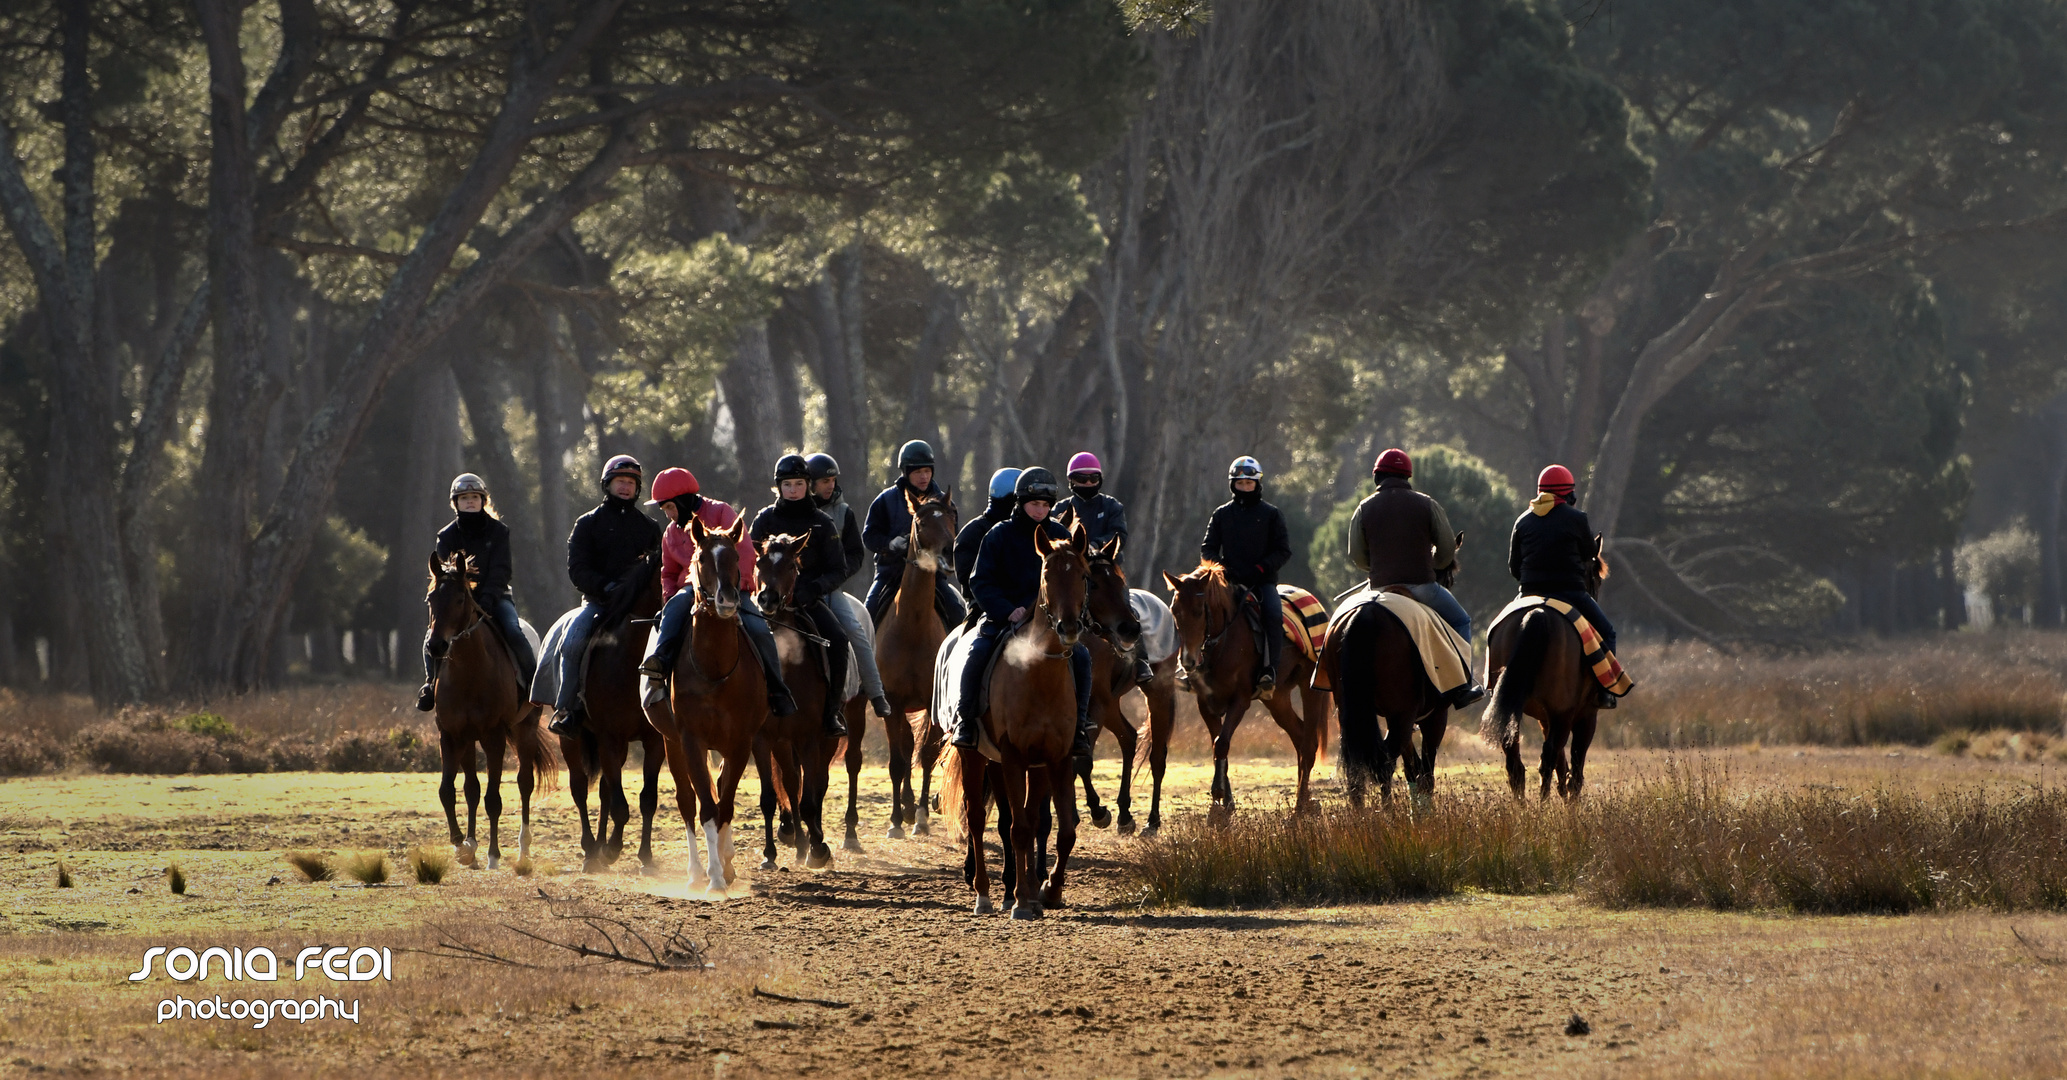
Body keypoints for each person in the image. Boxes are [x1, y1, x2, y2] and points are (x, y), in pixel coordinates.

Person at [952, 467, 1096, 762]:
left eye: (1046, 505)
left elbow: (1074, 581)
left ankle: (1079, 727)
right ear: (1020, 502)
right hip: (1005, 616)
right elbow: (980, 581)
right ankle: (965, 721)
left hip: (1050, 622)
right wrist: (1007, 609)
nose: (1040, 510)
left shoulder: (1059, 534)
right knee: (978, 650)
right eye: (1034, 504)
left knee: (1081, 657)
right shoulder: (998, 534)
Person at [635, 467, 796, 718]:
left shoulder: (721, 512)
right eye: (664, 510)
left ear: (683, 501)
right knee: (673, 611)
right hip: (692, 591)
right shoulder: (670, 533)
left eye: (669, 507)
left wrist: (735, 587)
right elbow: (668, 572)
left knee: (759, 629)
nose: (667, 514)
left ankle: (777, 690)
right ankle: (660, 665)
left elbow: (743, 553)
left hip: (733, 588)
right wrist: (669, 596)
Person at [1346, 448, 1484, 707]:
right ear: (1408, 476)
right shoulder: (1427, 503)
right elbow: (1445, 549)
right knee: (1461, 620)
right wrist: (1433, 566)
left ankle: (1333, 679)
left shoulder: (1364, 507)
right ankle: (1462, 685)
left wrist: (1376, 570)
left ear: (1377, 477)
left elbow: (1356, 555)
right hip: (1422, 587)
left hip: (1379, 589)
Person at [549, 454, 664, 737]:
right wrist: (605, 588)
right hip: (599, 603)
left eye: (630, 482)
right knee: (573, 642)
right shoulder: (587, 523)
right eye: (619, 482)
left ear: (637, 489)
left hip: (643, 609)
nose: (625, 487)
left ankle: (674, 705)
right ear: (607, 485)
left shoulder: (649, 528)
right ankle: (569, 708)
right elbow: (577, 569)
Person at [751, 454, 852, 737]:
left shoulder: (822, 522)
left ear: (808, 485)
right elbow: (748, 559)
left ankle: (832, 712)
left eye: (798, 484)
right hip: (766, 599)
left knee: (840, 640)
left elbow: (838, 568)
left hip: (808, 598)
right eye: (787, 485)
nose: (793, 490)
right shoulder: (764, 519)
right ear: (778, 488)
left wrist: (812, 589)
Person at [418, 473, 537, 711]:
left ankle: (536, 686)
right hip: (457, 601)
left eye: (474, 497)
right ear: (456, 503)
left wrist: (487, 599)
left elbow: (501, 571)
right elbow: (443, 575)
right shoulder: (446, 536)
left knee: (514, 632)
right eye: (464, 498)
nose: (470, 501)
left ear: (483, 500)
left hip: (496, 598)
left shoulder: (499, 531)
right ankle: (430, 684)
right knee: (431, 639)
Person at [1508, 464, 1624, 708]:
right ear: (1569, 493)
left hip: (1529, 593)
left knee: (1498, 629)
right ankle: (1605, 691)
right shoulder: (1577, 518)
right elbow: (1590, 553)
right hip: (1569, 592)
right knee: (1608, 632)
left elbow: (1514, 568)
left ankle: (1493, 683)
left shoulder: (1522, 521)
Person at [1053, 451, 1153, 688]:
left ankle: (1140, 661)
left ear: (1100, 480)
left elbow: (1120, 534)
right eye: (1082, 479)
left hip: (1106, 568)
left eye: (1093, 479)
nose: (1088, 483)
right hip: (1076, 570)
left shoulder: (1112, 506)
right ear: (1071, 481)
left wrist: (1096, 545)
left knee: (1126, 606)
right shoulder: (1061, 508)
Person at [806, 452, 893, 720]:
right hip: (793, 589)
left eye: (832, 480)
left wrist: (835, 577)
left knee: (855, 628)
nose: (830, 485)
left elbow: (855, 554)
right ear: (810, 483)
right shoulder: (794, 511)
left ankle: (875, 692)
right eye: (823, 481)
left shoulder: (844, 513)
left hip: (830, 588)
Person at [1198, 456, 1293, 700]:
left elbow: (1283, 551)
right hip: (1227, 582)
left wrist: (1260, 569)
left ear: (1257, 484)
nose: (1244, 488)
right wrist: (1221, 569)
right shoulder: (1220, 514)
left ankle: (1269, 671)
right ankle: (1190, 667)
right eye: (1240, 484)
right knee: (1194, 609)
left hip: (1262, 582)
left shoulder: (1272, 514)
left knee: (1273, 613)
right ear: (1233, 485)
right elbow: (1208, 549)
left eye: (1249, 484)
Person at [861, 439, 967, 627]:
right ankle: (863, 655)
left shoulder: (945, 503)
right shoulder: (885, 500)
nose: (924, 476)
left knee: (957, 612)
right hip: (891, 574)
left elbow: (953, 538)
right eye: (918, 472)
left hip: (933, 576)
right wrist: (890, 544)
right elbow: (869, 536)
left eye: (927, 471)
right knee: (868, 614)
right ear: (906, 473)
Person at [954, 467, 1020, 607]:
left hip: (1027, 603)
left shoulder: (1028, 530)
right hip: (982, 606)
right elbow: (967, 577)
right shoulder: (972, 532)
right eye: (1019, 501)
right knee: (954, 608)